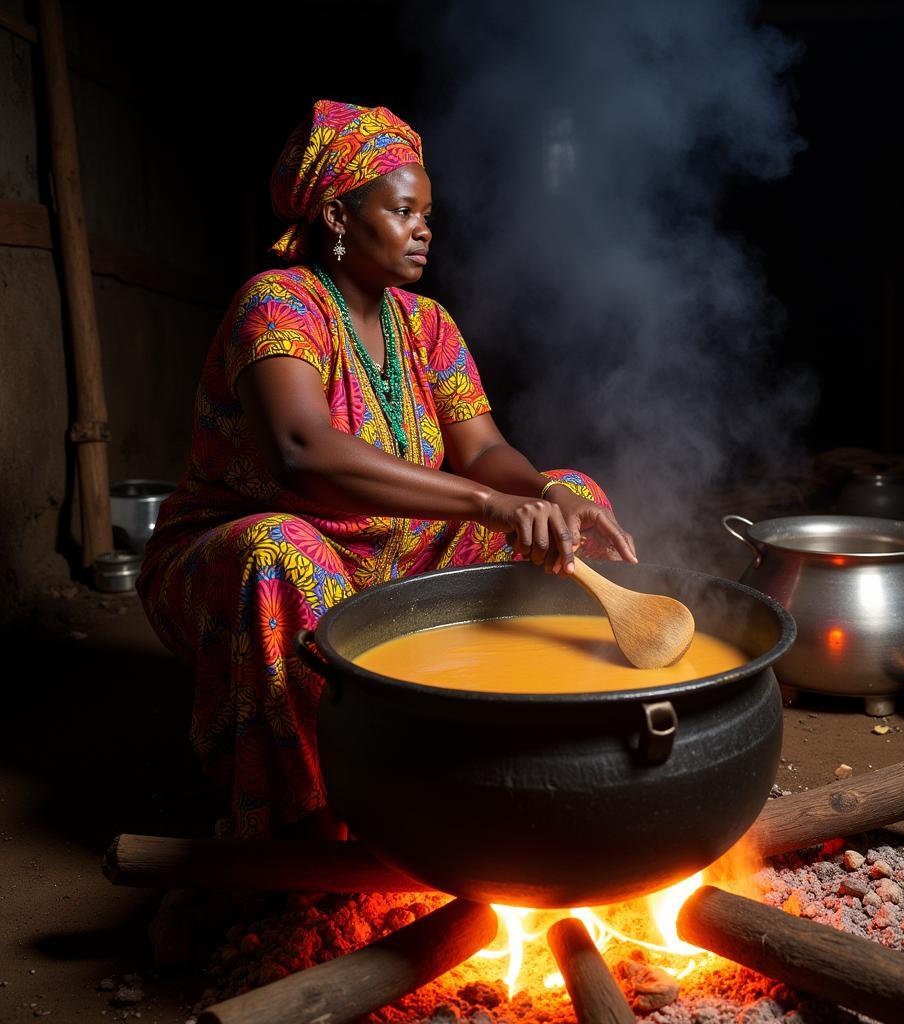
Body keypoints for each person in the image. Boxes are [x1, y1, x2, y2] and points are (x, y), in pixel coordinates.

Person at [137, 99, 637, 840]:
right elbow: (300, 449)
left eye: (427, 213)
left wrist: (546, 492)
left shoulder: (426, 323)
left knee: (575, 501)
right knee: (283, 552)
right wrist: (487, 506)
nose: (424, 229)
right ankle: (321, 819)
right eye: (404, 210)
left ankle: (540, 749)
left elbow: (485, 452)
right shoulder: (277, 304)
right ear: (338, 216)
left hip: (393, 554)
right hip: (255, 562)